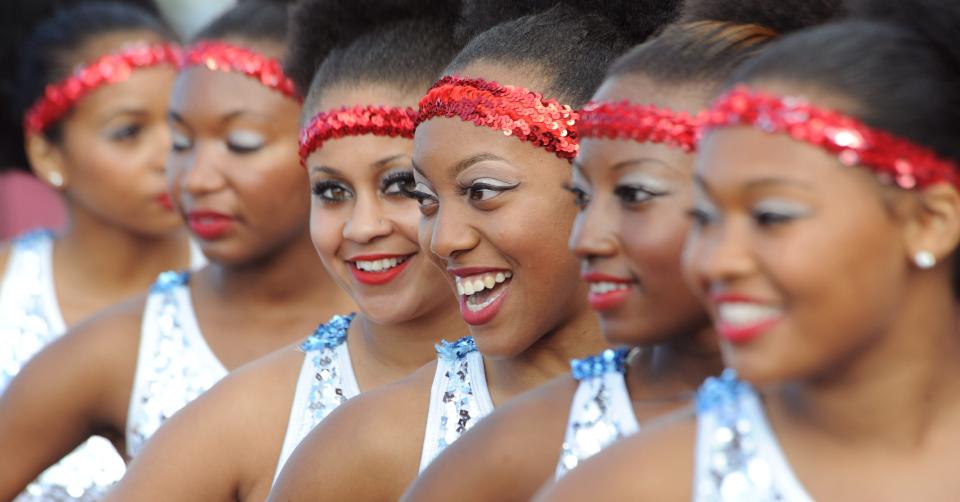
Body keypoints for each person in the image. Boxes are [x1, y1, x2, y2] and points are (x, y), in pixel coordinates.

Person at [403, 1, 843, 499]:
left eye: (634, 195)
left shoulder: (889, 424)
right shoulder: (533, 456)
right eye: (585, 197)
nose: (443, 240)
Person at [539, 0, 960, 500]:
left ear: (929, 222)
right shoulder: (634, 485)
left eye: (771, 217)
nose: (715, 261)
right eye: (706, 217)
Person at [268, 1, 682, 500]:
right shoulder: (371, 443)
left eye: (482, 191)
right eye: (424, 198)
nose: (443, 240)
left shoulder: (730, 404)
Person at [104, 1, 468, 500]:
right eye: (331, 192)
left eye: (400, 185)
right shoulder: (249, 415)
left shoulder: (579, 382)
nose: (362, 227)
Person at [0, 1, 355, 499]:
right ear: (45, 151)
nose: (194, 175)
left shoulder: (411, 322)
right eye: (182, 141)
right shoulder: (114, 347)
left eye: (243, 143)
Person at [0, 3, 201, 499]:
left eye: (181, 125)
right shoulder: (7, 285)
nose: (170, 156)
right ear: (48, 153)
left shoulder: (252, 278)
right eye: (129, 131)